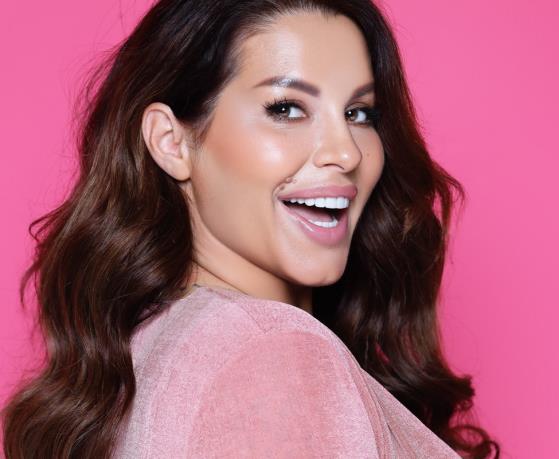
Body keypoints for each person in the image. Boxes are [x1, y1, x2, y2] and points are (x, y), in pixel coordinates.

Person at [1, 1, 500, 458]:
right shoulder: (272, 354)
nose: (346, 152)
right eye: (286, 109)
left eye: (359, 113)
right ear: (171, 142)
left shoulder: (148, 352)